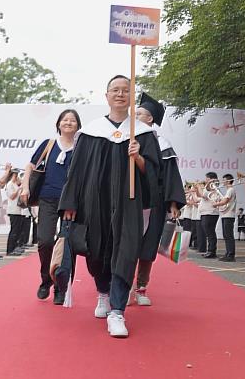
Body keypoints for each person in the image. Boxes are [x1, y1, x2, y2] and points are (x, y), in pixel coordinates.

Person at [59, 75, 161, 338]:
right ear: (106, 96)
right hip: (95, 201)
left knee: (126, 250)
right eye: (115, 90)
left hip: (129, 202)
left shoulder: (143, 133)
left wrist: (138, 157)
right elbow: (77, 171)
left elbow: (155, 174)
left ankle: (117, 310)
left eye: (125, 90)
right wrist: (70, 202)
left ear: (131, 96)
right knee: (97, 250)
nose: (120, 94)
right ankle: (103, 293)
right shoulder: (91, 132)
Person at [21, 109, 80, 305]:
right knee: (45, 241)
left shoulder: (81, 147)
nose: (68, 123)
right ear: (59, 124)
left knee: (66, 246)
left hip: (71, 203)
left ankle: (61, 288)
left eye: (72, 120)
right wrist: (25, 187)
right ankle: (46, 280)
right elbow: (30, 166)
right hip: (47, 198)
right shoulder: (49, 144)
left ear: (78, 126)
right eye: (65, 120)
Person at [131, 93, 185, 306]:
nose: (135, 116)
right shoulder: (127, 138)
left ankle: (142, 288)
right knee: (128, 245)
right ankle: (123, 287)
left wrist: (173, 203)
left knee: (148, 246)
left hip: (155, 202)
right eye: (134, 113)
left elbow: (171, 174)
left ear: (150, 119)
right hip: (131, 200)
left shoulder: (161, 143)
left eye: (140, 114)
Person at [195, 172, 220, 259]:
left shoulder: (212, 185)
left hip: (210, 212)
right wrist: (196, 188)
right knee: (208, 233)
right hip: (206, 212)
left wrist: (199, 186)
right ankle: (210, 250)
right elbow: (199, 195)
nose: (205, 180)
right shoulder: (208, 186)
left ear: (210, 178)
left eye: (206, 178)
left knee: (210, 233)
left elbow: (203, 195)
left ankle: (212, 251)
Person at [214, 174, 237, 262]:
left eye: (224, 180)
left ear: (228, 181)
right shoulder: (229, 190)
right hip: (225, 215)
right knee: (226, 235)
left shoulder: (231, 190)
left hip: (229, 215)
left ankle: (231, 255)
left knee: (229, 235)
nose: (222, 182)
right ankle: (228, 253)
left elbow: (225, 201)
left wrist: (216, 204)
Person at [5, 171, 25, 256]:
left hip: (18, 210)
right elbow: (12, 196)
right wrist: (18, 189)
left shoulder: (15, 184)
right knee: (13, 231)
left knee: (17, 231)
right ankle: (10, 250)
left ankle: (14, 247)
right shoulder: (9, 184)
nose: (17, 177)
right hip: (13, 210)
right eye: (15, 175)